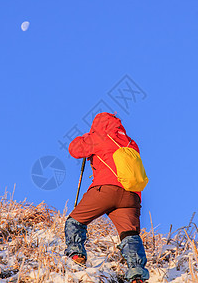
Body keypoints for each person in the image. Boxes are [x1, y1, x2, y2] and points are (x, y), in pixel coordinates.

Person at [64, 112, 149, 283]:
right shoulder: (131, 143)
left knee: (74, 221)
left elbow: (74, 149)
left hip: (106, 190)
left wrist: (87, 136)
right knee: (129, 235)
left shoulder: (98, 137)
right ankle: (137, 274)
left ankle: (76, 255)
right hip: (131, 196)